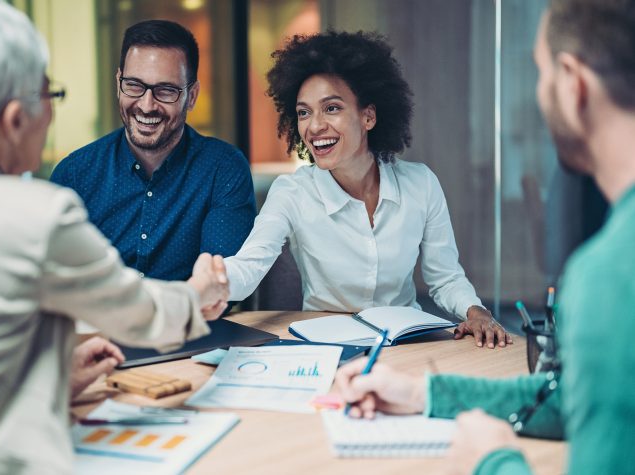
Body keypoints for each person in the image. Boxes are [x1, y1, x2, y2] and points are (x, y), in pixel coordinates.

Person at [0, 3, 230, 473]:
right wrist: (198, 293)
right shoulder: (37, 217)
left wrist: (53, 377)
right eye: (49, 95)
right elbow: (140, 314)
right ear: (13, 119)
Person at [335, 0, 635, 473]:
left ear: (574, 84)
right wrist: (423, 393)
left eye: (541, 74)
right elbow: (574, 396)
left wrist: (492, 461)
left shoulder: (610, 276)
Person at [225, 31, 511, 348]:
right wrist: (206, 285)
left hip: (405, 344)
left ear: (368, 116)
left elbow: (444, 277)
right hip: (326, 345)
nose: (314, 126)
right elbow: (249, 267)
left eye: (331, 108)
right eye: (304, 112)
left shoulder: (421, 184)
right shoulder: (292, 191)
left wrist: (476, 311)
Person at [50, 20, 256, 282]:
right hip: (99, 323)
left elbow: (220, 283)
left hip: (191, 323)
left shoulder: (222, 169)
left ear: (191, 96)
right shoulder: (75, 174)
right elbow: (58, 284)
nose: (147, 105)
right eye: (134, 85)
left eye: (165, 91)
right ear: (118, 82)